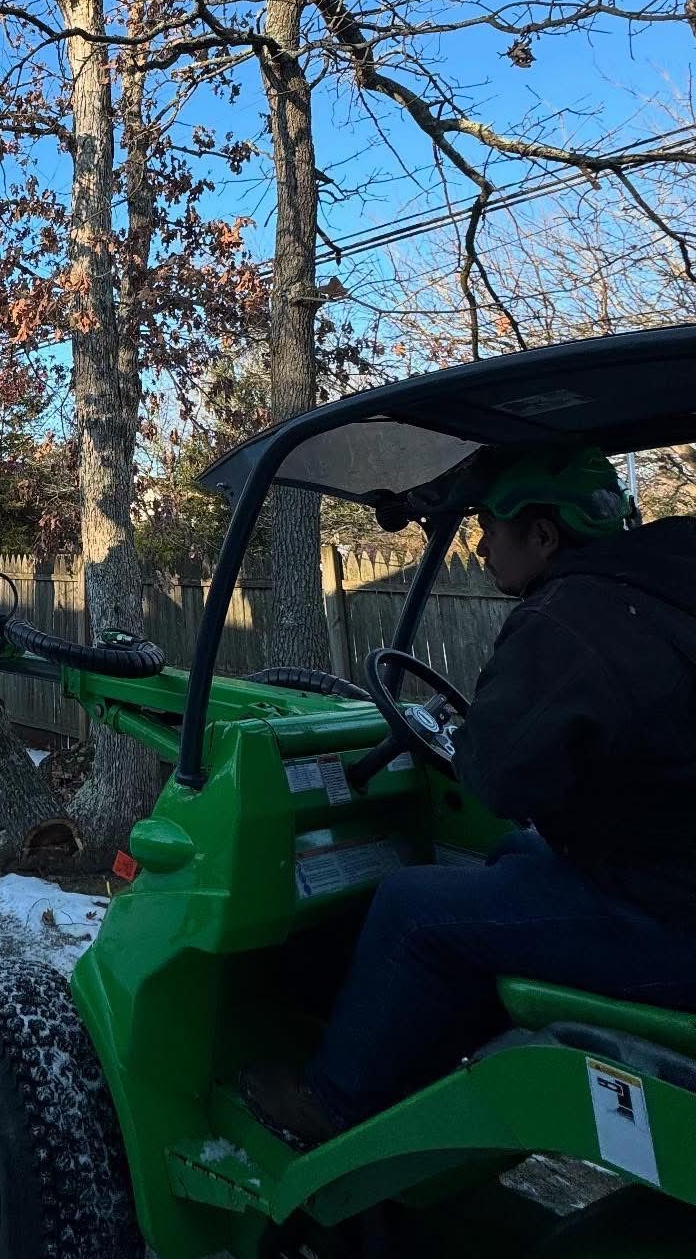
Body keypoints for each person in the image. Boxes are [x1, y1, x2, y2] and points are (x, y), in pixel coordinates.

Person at [243, 445, 696, 1149]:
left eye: (491, 526)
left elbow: (500, 781)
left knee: (409, 907)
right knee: (513, 856)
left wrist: (473, 734)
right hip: (661, 874)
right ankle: (429, 1045)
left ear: (544, 536)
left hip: (666, 919)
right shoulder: (658, 588)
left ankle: (333, 1101)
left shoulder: (570, 619)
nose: (481, 545)